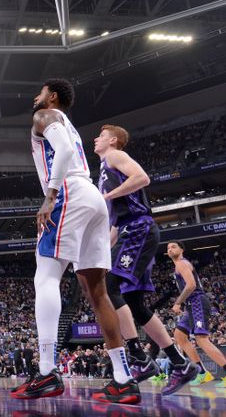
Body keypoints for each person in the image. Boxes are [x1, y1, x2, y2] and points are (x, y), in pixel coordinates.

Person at [12, 78, 139, 405]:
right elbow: (69, 149)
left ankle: (46, 370)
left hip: (68, 194)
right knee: (97, 293)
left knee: (46, 277)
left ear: (51, 97)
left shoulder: (44, 116)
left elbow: (65, 152)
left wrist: (50, 196)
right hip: (93, 200)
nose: (34, 96)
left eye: (39, 92)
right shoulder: (67, 122)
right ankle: (123, 378)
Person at [93, 125, 197, 391]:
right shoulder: (105, 169)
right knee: (134, 303)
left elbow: (142, 177)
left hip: (139, 229)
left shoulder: (114, 156)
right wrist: (102, 251)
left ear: (113, 140)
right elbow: (116, 224)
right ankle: (179, 363)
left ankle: (138, 357)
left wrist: (108, 195)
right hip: (129, 229)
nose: (96, 139)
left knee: (109, 288)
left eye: (101, 136)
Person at [166, 241, 226, 391]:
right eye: (168, 248)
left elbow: (191, 285)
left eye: (173, 246)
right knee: (179, 336)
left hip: (197, 302)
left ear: (182, 249)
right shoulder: (178, 265)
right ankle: (202, 372)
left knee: (201, 340)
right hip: (191, 305)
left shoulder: (182, 263)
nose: (170, 249)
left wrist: (178, 303)